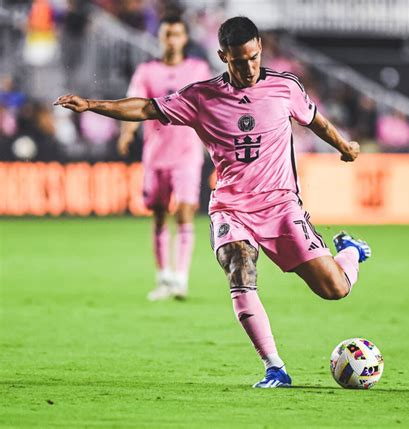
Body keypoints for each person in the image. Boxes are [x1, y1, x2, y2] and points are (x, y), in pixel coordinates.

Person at [54, 16, 371, 388]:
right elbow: (146, 108)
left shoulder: (285, 87)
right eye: (240, 61)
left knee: (334, 289)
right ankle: (275, 368)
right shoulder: (201, 97)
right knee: (240, 268)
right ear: (224, 57)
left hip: (281, 206)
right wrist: (91, 104)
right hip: (231, 208)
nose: (249, 67)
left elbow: (315, 119)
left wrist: (344, 145)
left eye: (254, 57)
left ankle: (349, 250)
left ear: (260, 50)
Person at [117, 15, 211, 300]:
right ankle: (163, 278)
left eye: (176, 34)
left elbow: (209, 107)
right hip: (156, 156)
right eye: (167, 34)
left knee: (184, 212)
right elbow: (134, 105)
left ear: (184, 38)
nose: (171, 40)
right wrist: (128, 133)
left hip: (187, 154)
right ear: (160, 37)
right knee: (158, 215)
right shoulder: (147, 72)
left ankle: (180, 279)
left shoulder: (198, 68)